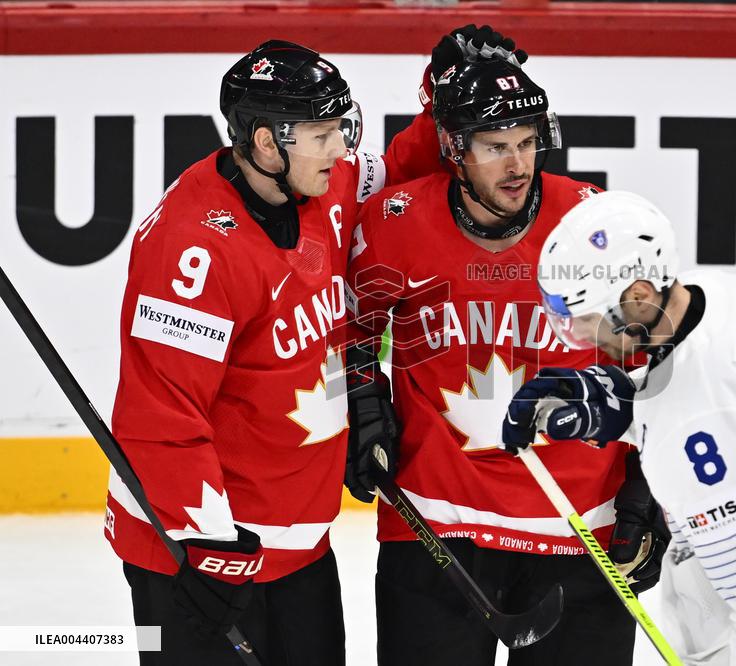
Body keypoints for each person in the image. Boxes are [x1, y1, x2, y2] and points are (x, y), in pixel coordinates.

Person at [106, 31, 521, 665]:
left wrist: (447, 99)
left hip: (299, 544)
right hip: (195, 551)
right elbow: (161, 417)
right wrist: (209, 545)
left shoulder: (325, 185)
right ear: (268, 142)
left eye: (339, 128)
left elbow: (404, 177)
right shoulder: (192, 250)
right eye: (322, 133)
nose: (342, 148)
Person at [345, 57, 668, 666]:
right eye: (496, 147)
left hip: (579, 531)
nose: (518, 165)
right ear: (453, 148)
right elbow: (349, 328)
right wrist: (363, 400)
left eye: (526, 143)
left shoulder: (592, 224)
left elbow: (652, 365)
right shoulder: (394, 223)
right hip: (437, 526)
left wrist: (646, 485)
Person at [501, 190, 736, 665]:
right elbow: (728, 402)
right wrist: (625, 401)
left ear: (637, 297)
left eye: (587, 320)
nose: (581, 338)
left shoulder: (696, 429)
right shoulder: (717, 292)